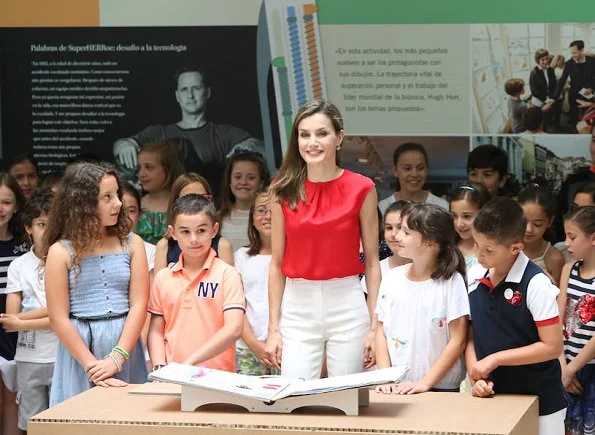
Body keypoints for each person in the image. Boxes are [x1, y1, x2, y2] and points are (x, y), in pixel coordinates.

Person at [266, 99, 379, 380]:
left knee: (349, 399)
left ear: (339, 137)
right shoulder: (281, 189)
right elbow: (276, 262)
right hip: (297, 304)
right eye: (304, 135)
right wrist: (273, 328)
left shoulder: (362, 188)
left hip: (347, 301)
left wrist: (375, 327)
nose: (312, 142)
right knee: (293, 397)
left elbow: (373, 263)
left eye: (321, 134)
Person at [44, 163, 149, 406]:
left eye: (117, 195)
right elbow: (58, 317)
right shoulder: (60, 252)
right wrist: (91, 366)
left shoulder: (132, 244)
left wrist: (118, 357)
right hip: (80, 352)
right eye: (107, 197)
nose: (119, 204)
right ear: (84, 204)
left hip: (125, 344)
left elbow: (139, 304)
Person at [467, 197, 567, 435]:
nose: (479, 254)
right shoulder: (473, 274)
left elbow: (552, 346)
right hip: (493, 395)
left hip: (540, 399)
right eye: (476, 244)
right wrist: (476, 375)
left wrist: (496, 359)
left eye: (488, 249)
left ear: (516, 247)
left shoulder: (536, 283)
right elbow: (470, 335)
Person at [112, 66, 264, 197]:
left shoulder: (224, 134)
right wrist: (125, 145)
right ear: (177, 95)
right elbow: (120, 145)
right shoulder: (158, 133)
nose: (190, 95)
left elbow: (260, 146)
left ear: (207, 92)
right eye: (184, 89)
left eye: (196, 88)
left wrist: (246, 147)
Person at [375, 204, 469, 394]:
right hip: (395, 385)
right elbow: (380, 331)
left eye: (406, 232)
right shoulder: (392, 278)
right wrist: (386, 376)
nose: (397, 236)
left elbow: (458, 340)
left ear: (430, 243)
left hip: (440, 387)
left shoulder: (452, 282)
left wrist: (425, 383)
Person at [147, 194, 245, 372]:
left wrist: (190, 362)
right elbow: (155, 330)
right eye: (185, 231)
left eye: (201, 230)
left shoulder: (227, 274)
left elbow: (234, 328)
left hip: (218, 378)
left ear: (214, 230)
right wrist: (160, 367)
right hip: (173, 377)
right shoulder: (163, 277)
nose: (194, 239)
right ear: (173, 233)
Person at [1, 188, 57, 432]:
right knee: (31, 425)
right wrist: (49, 314)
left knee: (60, 422)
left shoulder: (70, 260)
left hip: (61, 356)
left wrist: (22, 322)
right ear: (28, 227)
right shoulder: (19, 266)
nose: (47, 232)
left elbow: (62, 315)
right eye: (41, 224)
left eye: (54, 224)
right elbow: (9, 317)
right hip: (28, 357)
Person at [559, 206, 595, 435]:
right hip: (564, 365)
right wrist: (563, 366)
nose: (566, 243)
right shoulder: (568, 269)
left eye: (572, 237)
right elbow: (556, 321)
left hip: (589, 367)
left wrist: (572, 368)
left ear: (593, 238)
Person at [234, 189, 278, 376]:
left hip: (286, 347)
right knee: (249, 402)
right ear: (252, 219)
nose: (267, 216)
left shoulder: (294, 257)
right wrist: (253, 343)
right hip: (247, 347)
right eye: (260, 210)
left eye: (274, 211)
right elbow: (236, 305)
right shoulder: (241, 257)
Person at [154, 173, 233, 274]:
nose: (195, 205)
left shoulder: (223, 245)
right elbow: (158, 287)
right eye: (187, 199)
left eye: (203, 198)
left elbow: (227, 285)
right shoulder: (164, 246)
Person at [0, 173, 27, 435]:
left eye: (6, 202)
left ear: (17, 205)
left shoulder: (23, 245)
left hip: (14, 330)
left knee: (12, 397)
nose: (0, 209)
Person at [218, 150, 269, 252]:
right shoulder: (217, 218)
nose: (243, 182)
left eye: (251, 178)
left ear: (261, 182)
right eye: (237, 177)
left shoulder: (270, 218)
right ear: (229, 181)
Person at [377, 142, 448, 216]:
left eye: (420, 168)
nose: (414, 174)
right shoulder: (383, 207)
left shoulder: (441, 206)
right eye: (407, 168)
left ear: (427, 169)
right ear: (395, 171)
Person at [135, 141, 185, 245]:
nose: (141, 174)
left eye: (149, 167)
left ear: (168, 169)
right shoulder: (136, 205)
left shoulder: (182, 204)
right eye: (139, 168)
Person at [517, 184, 565, 286]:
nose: (529, 229)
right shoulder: (504, 247)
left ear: (550, 222)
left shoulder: (554, 258)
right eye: (524, 221)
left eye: (537, 224)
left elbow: (556, 296)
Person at [360, 201, 411, 294]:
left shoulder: (433, 269)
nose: (393, 234)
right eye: (389, 228)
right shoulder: (375, 270)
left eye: (400, 227)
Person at [449, 182, 491, 275]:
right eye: (454, 216)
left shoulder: (496, 251)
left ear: (484, 214)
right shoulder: (446, 250)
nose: (459, 224)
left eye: (467, 216)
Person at [555, 40, 595, 128]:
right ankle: (574, 129)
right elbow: (562, 81)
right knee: (573, 116)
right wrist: (554, 97)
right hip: (574, 95)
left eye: (575, 52)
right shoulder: (568, 64)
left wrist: (592, 88)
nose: (573, 55)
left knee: (588, 117)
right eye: (571, 53)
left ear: (582, 50)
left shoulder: (592, 61)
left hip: (588, 95)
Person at [529, 49, 557, 132]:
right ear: (538, 60)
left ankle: (547, 128)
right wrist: (546, 99)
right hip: (539, 102)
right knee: (540, 121)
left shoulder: (551, 70)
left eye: (547, 58)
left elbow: (554, 85)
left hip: (550, 100)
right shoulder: (534, 72)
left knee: (548, 117)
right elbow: (533, 90)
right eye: (542, 60)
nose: (546, 61)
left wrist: (552, 98)